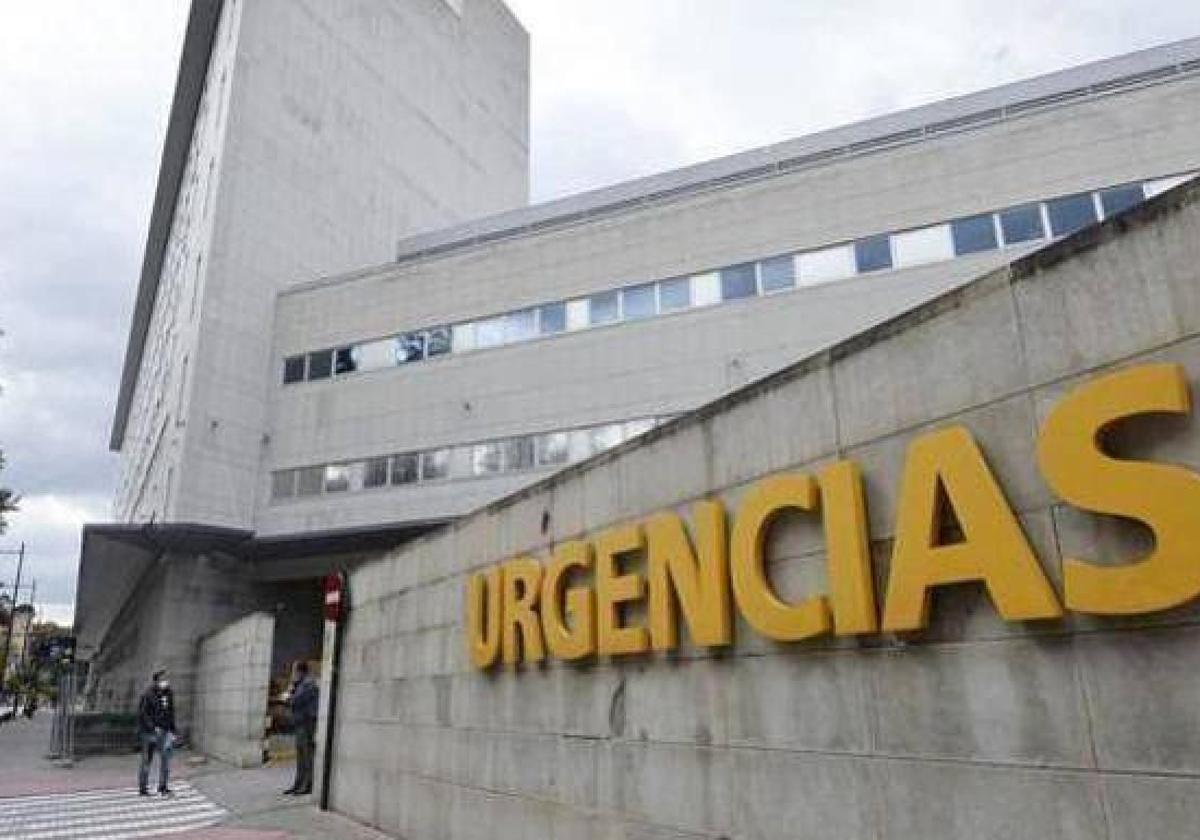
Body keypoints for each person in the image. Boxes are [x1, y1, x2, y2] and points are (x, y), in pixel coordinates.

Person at [137, 668, 176, 796]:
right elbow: (143, 714)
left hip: (165, 732)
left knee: (166, 760)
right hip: (150, 733)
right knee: (147, 760)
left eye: (166, 679)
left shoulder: (169, 693)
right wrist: (153, 727)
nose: (166, 681)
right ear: (156, 680)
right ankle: (143, 788)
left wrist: (173, 730)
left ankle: (163, 786)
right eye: (163, 679)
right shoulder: (148, 694)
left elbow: (171, 713)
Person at [284, 660, 318, 795]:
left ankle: (307, 784)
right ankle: (298, 783)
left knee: (307, 756)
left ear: (300, 671)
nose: (292, 674)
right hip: (300, 724)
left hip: (307, 724)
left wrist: (290, 694)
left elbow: (295, 700)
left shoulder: (308, 684)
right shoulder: (300, 684)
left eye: (294, 670)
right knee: (300, 756)